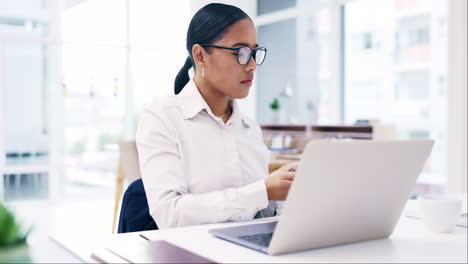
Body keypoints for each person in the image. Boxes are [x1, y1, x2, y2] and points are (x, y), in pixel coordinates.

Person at [136, 3, 297, 229]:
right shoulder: (162, 119)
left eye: (254, 53)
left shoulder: (249, 128)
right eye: (240, 52)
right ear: (201, 55)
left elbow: (261, 213)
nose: (252, 65)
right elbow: (170, 215)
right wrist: (262, 191)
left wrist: (285, 194)